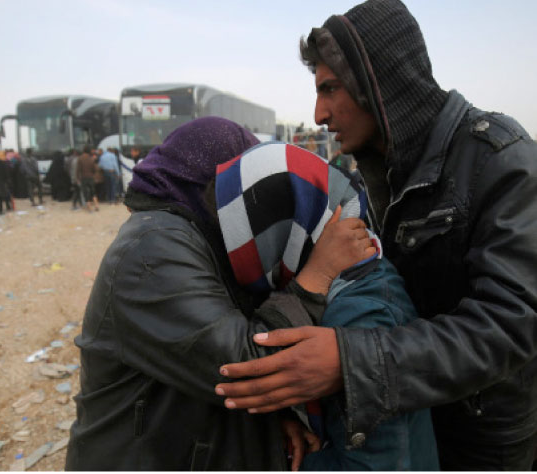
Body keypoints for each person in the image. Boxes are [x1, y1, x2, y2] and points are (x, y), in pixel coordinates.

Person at [215, 0, 537, 470]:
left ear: (379, 82)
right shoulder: (381, 173)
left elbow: (513, 325)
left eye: (330, 89)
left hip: (479, 443)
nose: (319, 113)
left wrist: (349, 363)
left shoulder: (500, 160)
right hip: (405, 422)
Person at [65, 117, 376, 470]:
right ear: (214, 182)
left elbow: (203, 360)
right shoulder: (152, 249)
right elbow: (246, 363)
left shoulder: (193, 236)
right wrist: (319, 273)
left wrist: (269, 424)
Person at [214, 141, 438, 470]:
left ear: (285, 226)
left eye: (251, 228)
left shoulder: (358, 310)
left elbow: (377, 462)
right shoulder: (355, 275)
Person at [75, 145, 99, 212]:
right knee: (93, 192)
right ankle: (97, 206)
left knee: (86, 193)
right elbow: (94, 169)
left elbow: (78, 170)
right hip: (91, 177)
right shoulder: (91, 158)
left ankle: (90, 208)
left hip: (84, 177)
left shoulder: (80, 158)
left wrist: (77, 178)